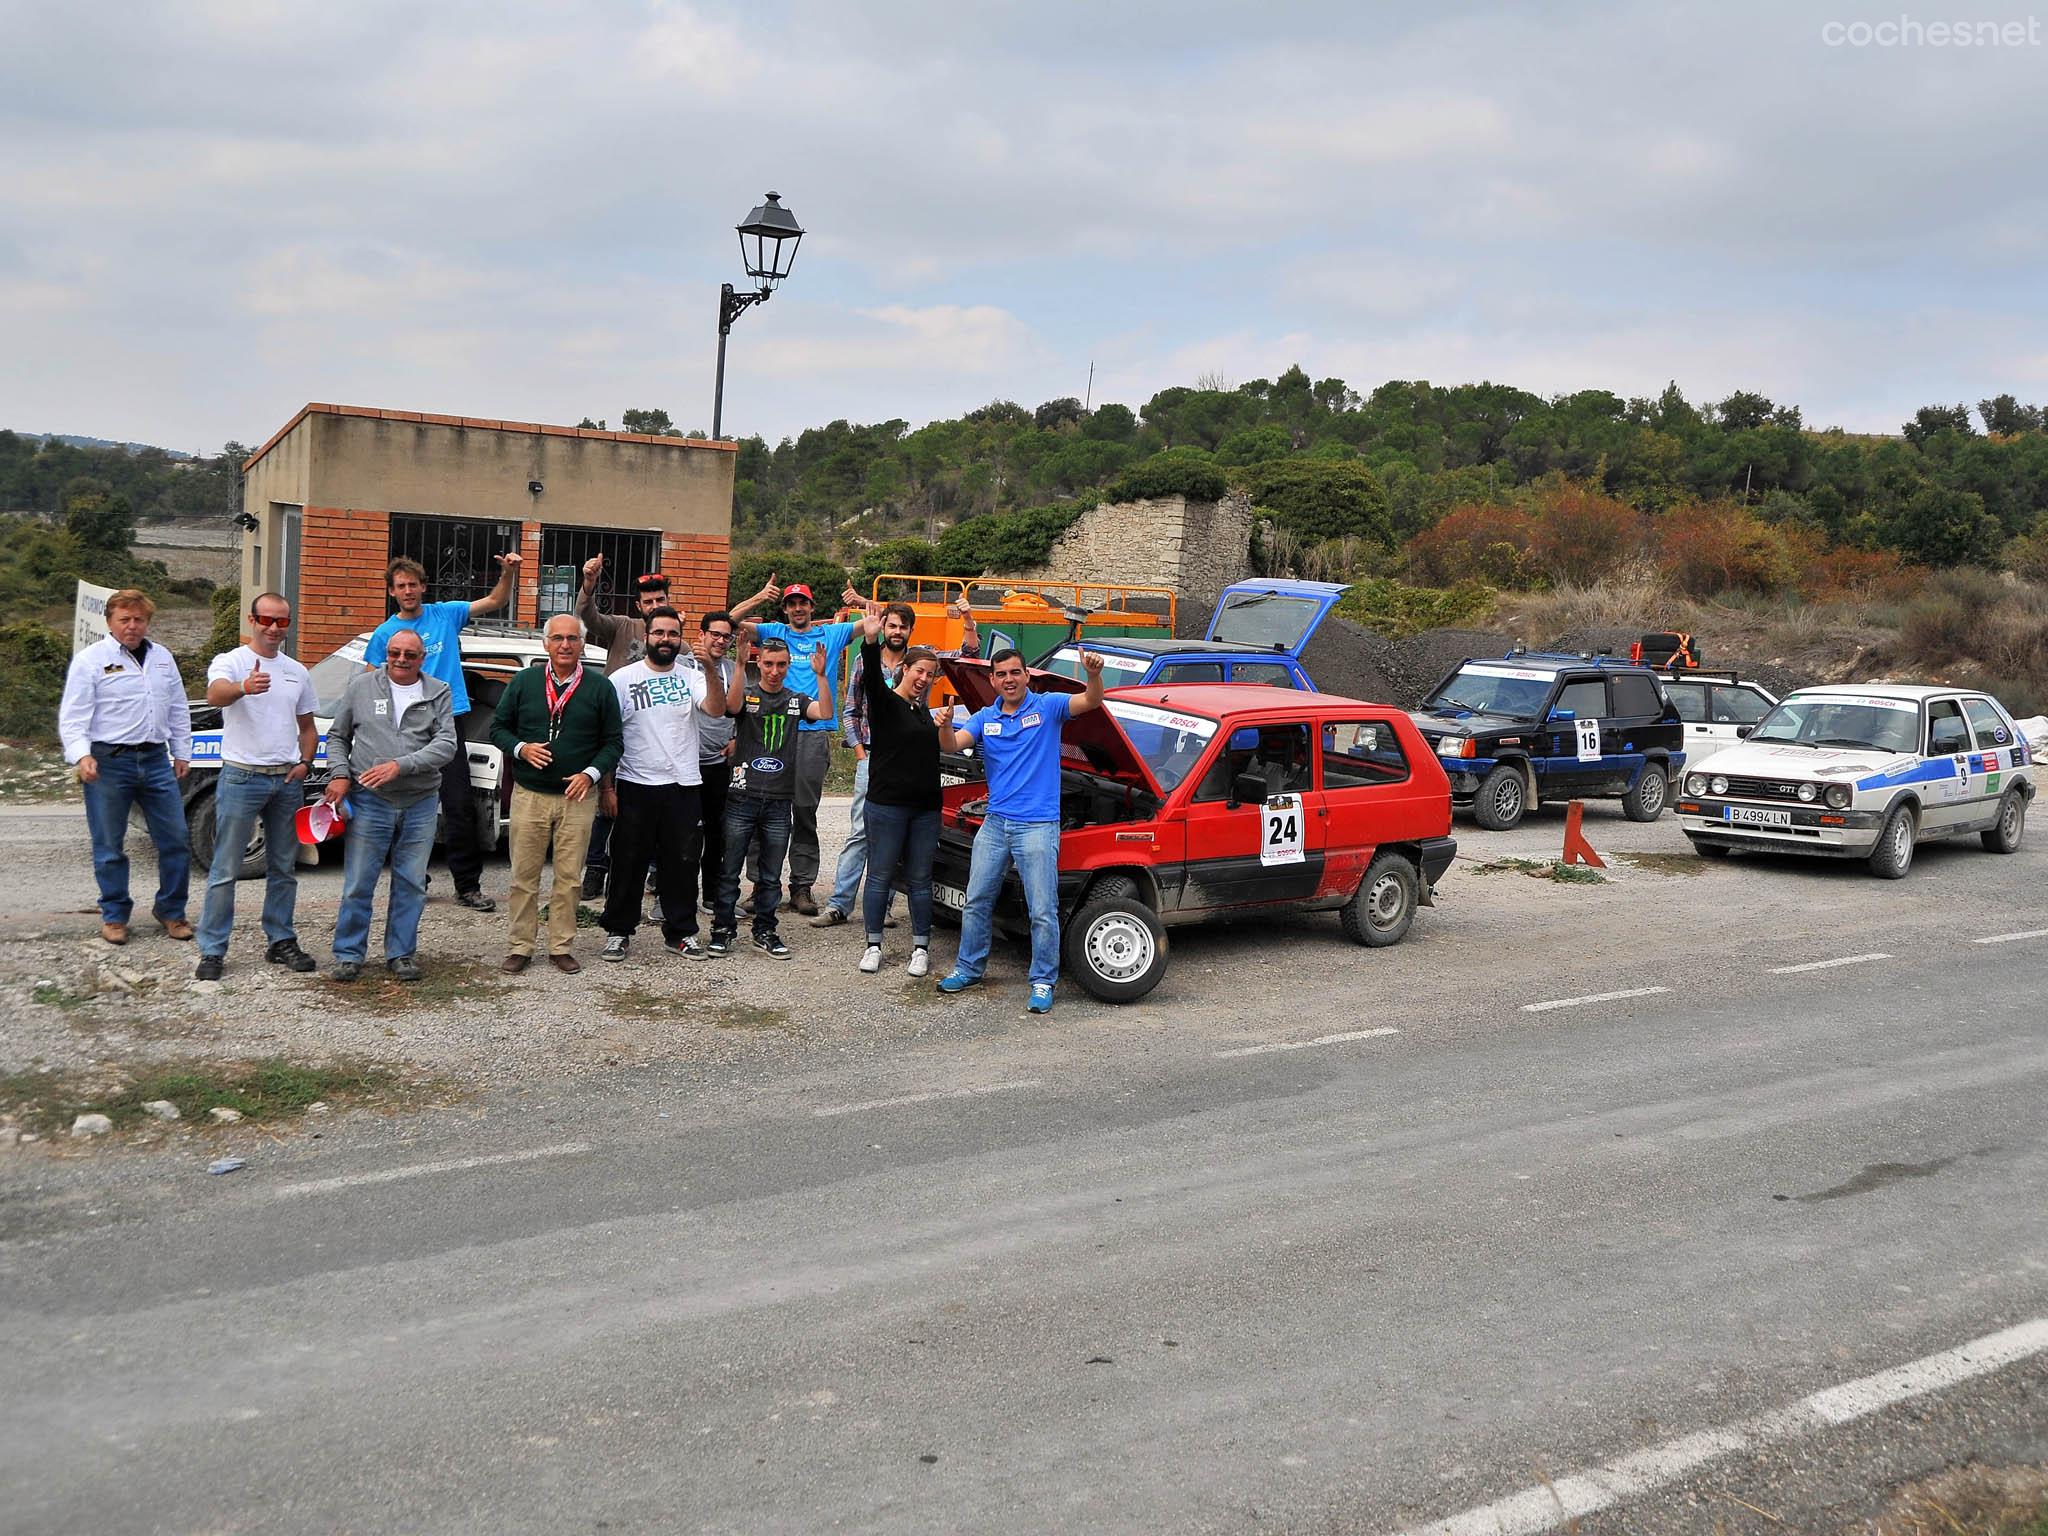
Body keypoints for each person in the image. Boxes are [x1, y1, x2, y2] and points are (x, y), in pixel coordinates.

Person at [938, 647, 1106, 1015]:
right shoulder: (985, 717)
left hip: (1038, 825)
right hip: (996, 823)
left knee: (1042, 909)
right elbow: (952, 745)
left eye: (1015, 672)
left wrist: (1093, 675)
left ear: (1026, 675)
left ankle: (1043, 981)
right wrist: (946, 726)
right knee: (977, 900)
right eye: (1001, 674)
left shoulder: (1048, 707)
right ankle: (968, 969)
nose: (1009, 679)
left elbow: (1092, 701)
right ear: (993, 680)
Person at [363, 550, 522, 914]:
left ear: (423, 586)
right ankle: (412, 880)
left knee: (459, 807)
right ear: (392, 591)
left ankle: (468, 886)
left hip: (448, 722)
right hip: (406, 728)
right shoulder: (385, 633)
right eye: (401, 586)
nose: (408, 590)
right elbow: (370, 683)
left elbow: (497, 599)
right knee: (405, 806)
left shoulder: (445, 614)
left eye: (414, 584)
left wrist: (509, 573)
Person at [814, 593, 979, 929]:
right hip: (873, 756)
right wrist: (861, 753)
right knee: (860, 834)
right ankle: (839, 905)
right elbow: (851, 708)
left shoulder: (923, 661)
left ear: (910, 630)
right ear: (884, 627)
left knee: (896, 840)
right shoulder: (866, 662)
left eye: (903, 626)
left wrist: (968, 622)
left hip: (908, 761)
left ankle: (883, 908)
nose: (897, 631)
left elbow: (966, 656)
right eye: (892, 625)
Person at [195, 593, 321, 980]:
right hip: (241, 776)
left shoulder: (296, 671)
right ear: (252, 620)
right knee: (225, 868)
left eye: (282, 622)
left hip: (285, 780)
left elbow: (307, 727)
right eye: (266, 619)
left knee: (284, 866)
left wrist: (304, 762)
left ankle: (280, 940)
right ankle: (213, 950)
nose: (273, 627)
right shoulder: (231, 661)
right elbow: (214, 695)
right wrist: (243, 687)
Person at [58, 588, 194, 946]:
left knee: (177, 839)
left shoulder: (162, 658)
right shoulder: (91, 660)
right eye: (125, 620)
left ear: (147, 621)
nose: (132, 626)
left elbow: (178, 707)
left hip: (155, 759)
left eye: (139, 619)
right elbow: (73, 717)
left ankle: (171, 909)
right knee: (109, 844)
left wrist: (182, 752)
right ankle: (115, 915)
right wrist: (81, 755)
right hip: (108, 763)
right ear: (110, 622)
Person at [489, 614, 623, 974]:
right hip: (530, 794)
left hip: (578, 798)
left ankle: (561, 946)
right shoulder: (523, 681)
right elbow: (497, 728)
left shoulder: (600, 687)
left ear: (582, 644)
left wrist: (591, 774)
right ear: (546, 644)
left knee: (569, 879)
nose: (565, 645)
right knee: (523, 877)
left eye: (572, 639)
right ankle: (520, 946)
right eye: (558, 638)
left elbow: (613, 743)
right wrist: (521, 749)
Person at [322, 629, 458, 982]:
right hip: (369, 800)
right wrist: (339, 774)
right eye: (394, 652)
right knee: (358, 882)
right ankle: (349, 954)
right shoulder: (361, 688)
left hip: (420, 801)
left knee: (412, 882)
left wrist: (402, 765)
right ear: (386, 653)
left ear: (421, 658)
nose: (400, 659)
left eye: (409, 655)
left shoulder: (438, 691)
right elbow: (338, 736)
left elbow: (446, 745)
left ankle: (401, 954)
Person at [597, 607, 727, 963]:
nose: (666, 640)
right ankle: (618, 931)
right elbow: (608, 738)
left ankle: (681, 933)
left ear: (680, 638)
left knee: (682, 864)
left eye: (672, 634)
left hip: (683, 784)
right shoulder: (621, 679)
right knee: (627, 862)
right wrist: (607, 789)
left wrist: (712, 670)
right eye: (659, 633)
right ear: (647, 637)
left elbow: (716, 710)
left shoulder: (692, 676)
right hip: (634, 783)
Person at [729, 572, 861, 916]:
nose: (798, 608)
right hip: (772, 728)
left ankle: (802, 887)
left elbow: (876, 624)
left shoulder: (831, 633)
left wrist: (860, 602)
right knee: (762, 809)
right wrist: (759, 596)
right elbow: (730, 621)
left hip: (812, 732)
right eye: (792, 603)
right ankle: (759, 886)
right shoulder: (776, 632)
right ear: (785, 609)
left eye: (803, 602)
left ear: (812, 606)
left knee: (804, 812)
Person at [708, 637, 834, 959]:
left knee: (770, 876)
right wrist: (738, 665)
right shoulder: (747, 691)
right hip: (742, 797)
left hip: (779, 801)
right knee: (729, 870)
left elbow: (825, 712)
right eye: (768, 664)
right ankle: (722, 930)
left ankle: (765, 930)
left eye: (781, 664)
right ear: (759, 663)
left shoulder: (796, 699)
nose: (774, 671)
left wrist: (821, 676)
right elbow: (730, 708)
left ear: (788, 665)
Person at [847, 611, 953, 978]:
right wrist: (872, 639)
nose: (923, 678)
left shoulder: (925, 714)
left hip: (926, 810)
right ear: (904, 669)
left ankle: (920, 949)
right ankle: (873, 945)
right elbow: (872, 679)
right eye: (918, 671)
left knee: (921, 880)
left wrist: (943, 727)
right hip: (887, 806)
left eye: (930, 673)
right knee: (879, 875)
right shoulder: (885, 702)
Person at [577, 557, 673, 899]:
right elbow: (588, 618)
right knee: (606, 804)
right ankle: (596, 870)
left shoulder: (673, 635)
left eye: (659, 600)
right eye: (648, 601)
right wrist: (588, 584)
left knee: (652, 808)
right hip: (615, 732)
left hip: (656, 737)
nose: (654, 606)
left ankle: (652, 871)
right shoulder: (623, 626)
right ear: (639, 606)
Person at [682, 609, 742, 916]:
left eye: (726, 636)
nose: (720, 640)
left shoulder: (733, 668)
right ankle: (679, 898)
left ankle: (712, 895)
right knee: (685, 834)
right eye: (714, 634)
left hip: (719, 763)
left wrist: (737, 739)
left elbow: (741, 710)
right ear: (702, 634)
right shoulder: (683, 664)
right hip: (686, 764)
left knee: (718, 832)